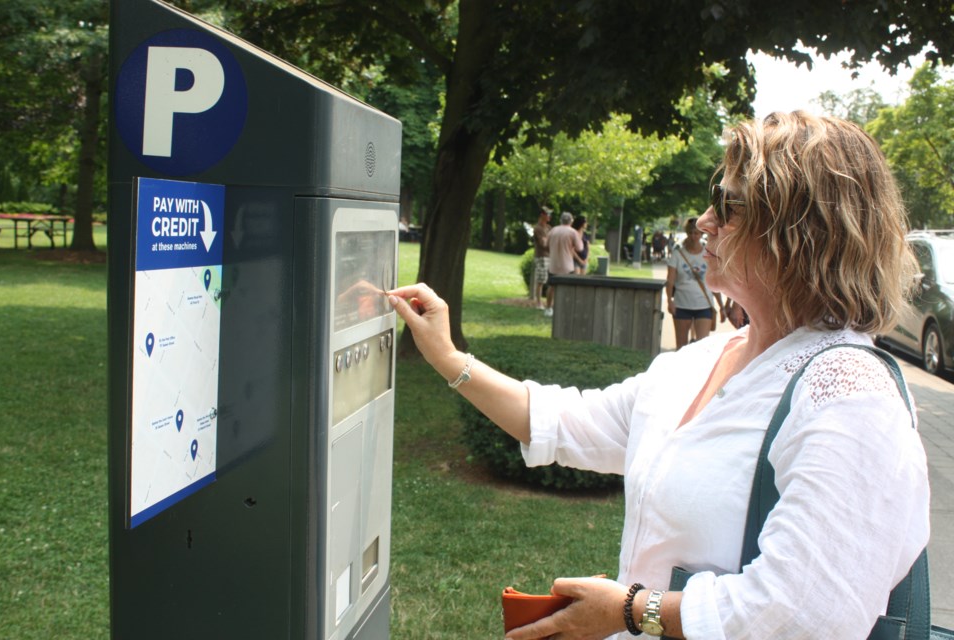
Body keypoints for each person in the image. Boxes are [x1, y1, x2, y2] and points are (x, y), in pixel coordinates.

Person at [388, 111, 929, 640]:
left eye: (728, 205)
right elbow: (562, 422)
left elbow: (806, 617)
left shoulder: (849, 395)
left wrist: (630, 610)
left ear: (802, 233)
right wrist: (447, 357)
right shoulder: (702, 360)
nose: (702, 221)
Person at [666, 217, 723, 349]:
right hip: (682, 304)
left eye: (696, 233)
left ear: (701, 234)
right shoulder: (677, 254)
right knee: (681, 347)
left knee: (702, 347)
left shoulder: (708, 254)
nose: (693, 236)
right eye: (691, 233)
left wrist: (721, 306)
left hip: (703, 304)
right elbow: (670, 281)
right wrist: (669, 300)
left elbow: (714, 281)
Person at [545, 211, 583, 317]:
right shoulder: (573, 232)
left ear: (560, 220)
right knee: (568, 288)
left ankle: (548, 308)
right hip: (567, 265)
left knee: (551, 287)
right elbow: (580, 248)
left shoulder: (553, 230)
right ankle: (565, 308)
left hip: (553, 264)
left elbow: (546, 245)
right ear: (571, 221)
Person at [531, 207, 552, 308]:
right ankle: (538, 303)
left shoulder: (548, 228)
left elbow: (549, 241)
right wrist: (548, 240)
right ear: (542, 215)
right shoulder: (538, 228)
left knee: (549, 280)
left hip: (550, 257)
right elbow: (543, 244)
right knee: (541, 281)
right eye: (547, 214)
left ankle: (548, 303)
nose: (549, 216)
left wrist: (547, 239)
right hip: (541, 257)